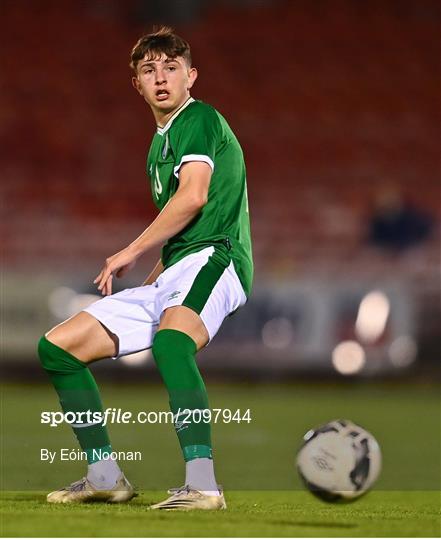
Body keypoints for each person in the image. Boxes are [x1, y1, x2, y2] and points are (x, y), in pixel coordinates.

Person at [37, 26, 253, 510]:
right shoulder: (160, 144)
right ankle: (105, 476)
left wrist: (129, 251)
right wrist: (157, 273)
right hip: (179, 266)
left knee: (172, 345)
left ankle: (204, 486)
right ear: (136, 83)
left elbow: (194, 197)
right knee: (58, 348)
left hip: (217, 257)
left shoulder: (197, 119)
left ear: (190, 76)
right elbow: (183, 219)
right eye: (149, 69)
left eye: (171, 68)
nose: (161, 78)